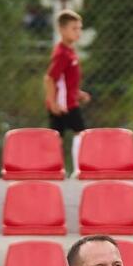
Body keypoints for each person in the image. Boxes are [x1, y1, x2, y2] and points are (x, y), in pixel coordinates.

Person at [44, 10, 91, 171]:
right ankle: (78, 169)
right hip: (64, 105)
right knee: (80, 133)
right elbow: (50, 78)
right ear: (62, 30)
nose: (78, 32)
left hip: (69, 100)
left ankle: (53, 168)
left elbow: (67, 81)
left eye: (79, 28)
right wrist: (52, 102)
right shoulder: (62, 54)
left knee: (57, 137)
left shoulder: (70, 52)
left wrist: (78, 93)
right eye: (74, 28)